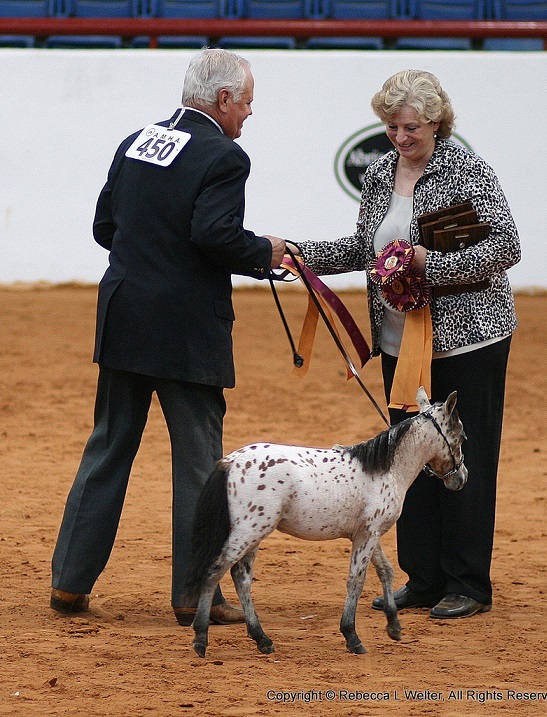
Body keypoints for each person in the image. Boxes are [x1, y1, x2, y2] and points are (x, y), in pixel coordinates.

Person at [50, 48, 286, 627]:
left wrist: (150, 262)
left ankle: (69, 584)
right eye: (248, 100)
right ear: (223, 99)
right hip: (187, 331)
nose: (251, 113)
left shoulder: (136, 140)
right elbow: (214, 234)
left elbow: (106, 226)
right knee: (200, 466)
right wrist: (266, 253)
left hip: (125, 315)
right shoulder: (225, 157)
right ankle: (194, 595)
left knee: (107, 448)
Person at [295, 69, 520, 619]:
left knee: (466, 456)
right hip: (400, 343)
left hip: (469, 340)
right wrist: (298, 256)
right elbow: (361, 248)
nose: (401, 137)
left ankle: (466, 582)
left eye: (411, 126)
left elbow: (506, 247)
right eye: (392, 126)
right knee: (406, 462)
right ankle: (421, 578)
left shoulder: (465, 170)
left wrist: (429, 264)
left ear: (437, 121)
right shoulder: (377, 174)